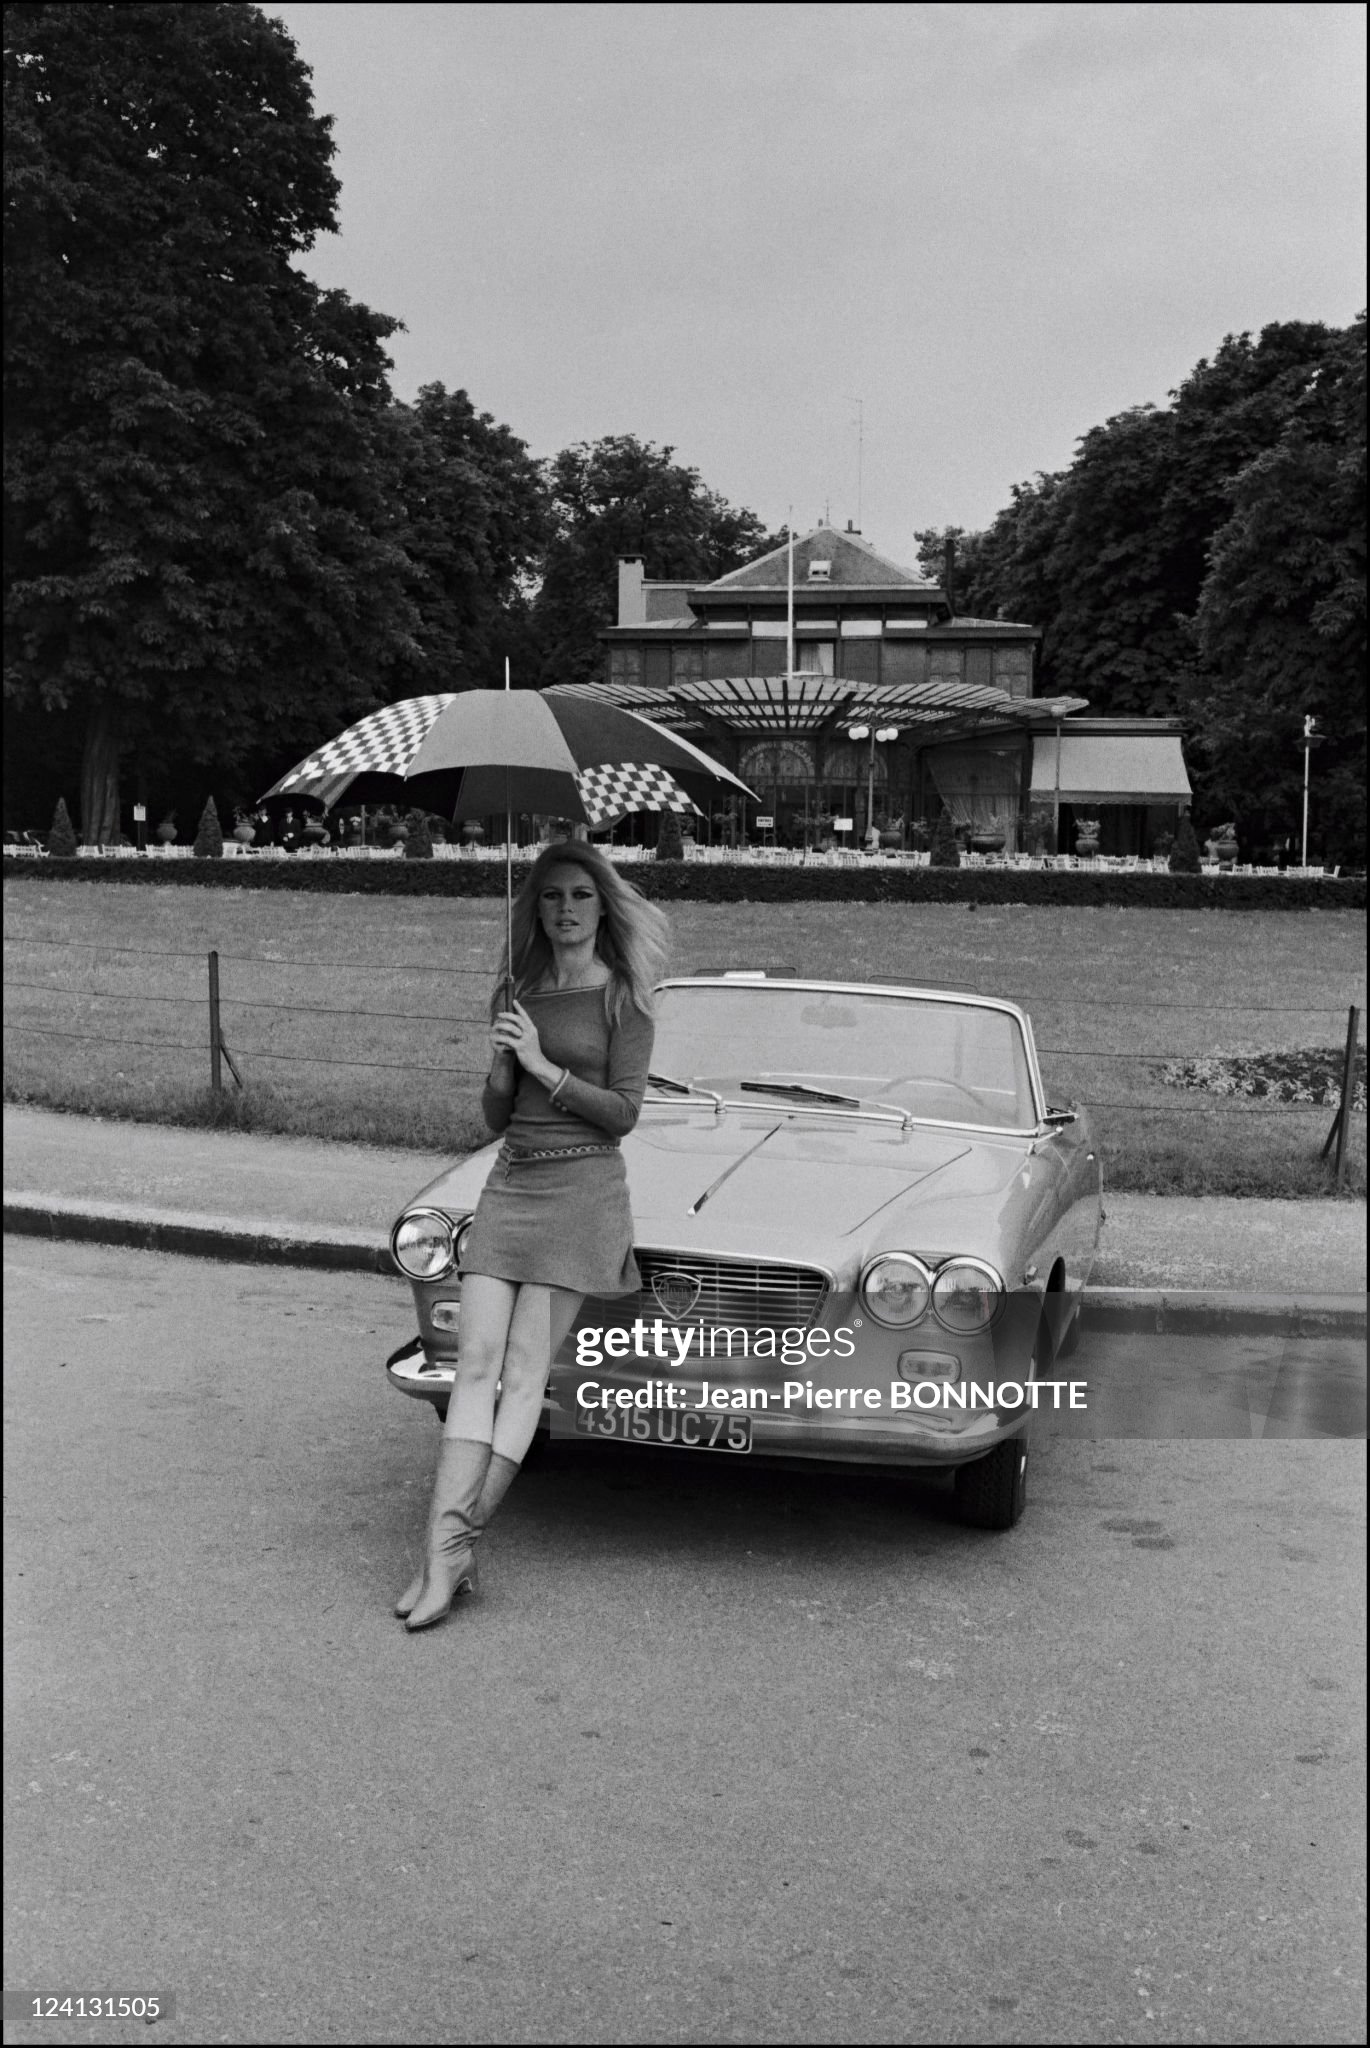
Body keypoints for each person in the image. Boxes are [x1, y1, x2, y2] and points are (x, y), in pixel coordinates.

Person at [395, 839, 670, 1631]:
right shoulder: (513, 994)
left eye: (580, 895)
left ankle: (445, 1553)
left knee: (522, 1373)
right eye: (551, 897)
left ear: (602, 905)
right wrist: (500, 1065)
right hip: (513, 1182)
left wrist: (546, 1066)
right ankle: (448, 1551)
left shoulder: (625, 999)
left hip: (584, 1190)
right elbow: (495, 1117)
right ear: (535, 906)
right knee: (471, 1365)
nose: (565, 910)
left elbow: (623, 1113)